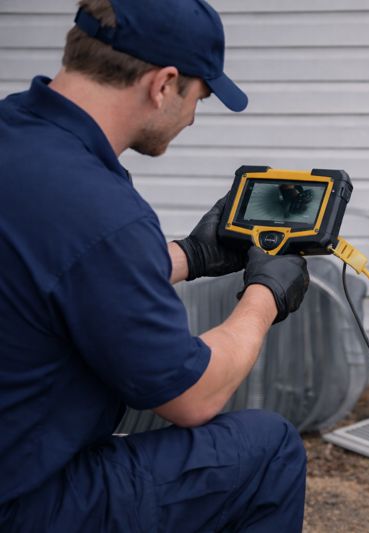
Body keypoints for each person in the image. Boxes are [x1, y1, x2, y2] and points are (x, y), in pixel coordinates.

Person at [0, 0, 310, 531]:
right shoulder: (101, 208)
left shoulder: (17, 134)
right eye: (200, 96)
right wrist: (265, 296)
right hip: (26, 499)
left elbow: (49, 266)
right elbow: (193, 397)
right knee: (270, 448)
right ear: (164, 84)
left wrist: (188, 257)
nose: (192, 116)